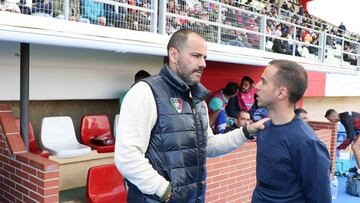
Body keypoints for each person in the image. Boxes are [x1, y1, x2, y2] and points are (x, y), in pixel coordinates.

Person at [114, 29, 268, 202]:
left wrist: (246, 132)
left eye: (204, 57)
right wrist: (166, 192)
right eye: (196, 56)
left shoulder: (198, 100)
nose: (203, 63)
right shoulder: (145, 92)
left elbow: (208, 145)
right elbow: (127, 157)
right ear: (174, 55)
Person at [253, 59, 331, 202]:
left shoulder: (307, 143)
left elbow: (320, 198)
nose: (257, 86)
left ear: (281, 93)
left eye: (263, 82)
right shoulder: (263, 129)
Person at [325, 109, 360, 175]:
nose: (330, 122)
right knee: (356, 147)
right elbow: (352, 130)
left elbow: (350, 137)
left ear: (333, 116)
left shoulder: (345, 119)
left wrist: (339, 148)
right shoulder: (343, 116)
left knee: (355, 147)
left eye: (330, 120)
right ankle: (357, 167)